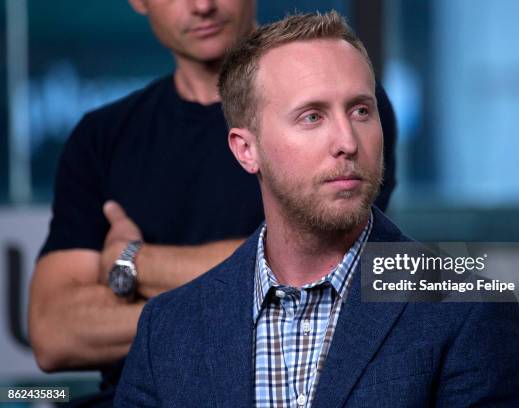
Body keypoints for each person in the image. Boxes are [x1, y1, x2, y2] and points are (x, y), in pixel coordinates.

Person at [115, 11, 519, 407]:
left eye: (361, 111)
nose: (347, 141)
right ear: (246, 150)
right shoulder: (168, 331)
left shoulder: (466, 308)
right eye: (312, 117)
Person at [27, 0, 397, 405]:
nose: (202, 5)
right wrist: (215, 310)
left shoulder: (342, 106)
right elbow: (53, 333)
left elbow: (319, 262)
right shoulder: (102, 137)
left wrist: (131, 261)